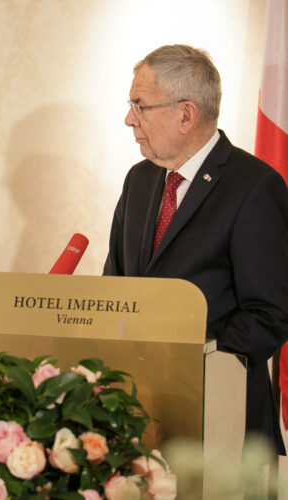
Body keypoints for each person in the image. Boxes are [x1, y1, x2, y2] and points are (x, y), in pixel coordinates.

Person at [104, 44, 288, 454]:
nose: (128, 118)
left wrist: (193, 365)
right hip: (141, 417)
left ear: (185, 114)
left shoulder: (255, 187)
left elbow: (270, 313)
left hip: (222, 423)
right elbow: (113, 287)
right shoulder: (139, 181)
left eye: (140, 105)